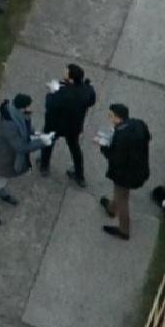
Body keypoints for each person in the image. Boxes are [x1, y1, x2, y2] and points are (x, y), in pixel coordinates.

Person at [0, 94, 45, 224]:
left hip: (7, 156)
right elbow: (21, 147)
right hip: (4, 159)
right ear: (22, 107)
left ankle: (0, 192)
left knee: (1, 179)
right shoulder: (9, 125)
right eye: (28, 106)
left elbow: (24, 128)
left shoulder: (14, 113)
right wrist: (41, 142)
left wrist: (33, 131)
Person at [39, 63, 95, 186]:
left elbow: (49, 105)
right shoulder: (87, 90)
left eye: (66, 72)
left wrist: (51, 91)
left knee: (48, 143)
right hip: (74, 126)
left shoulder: (61, 92)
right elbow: (91, 100)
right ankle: (79, 175)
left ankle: (44, 166)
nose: (63, 73)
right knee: (75, 149)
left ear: (70, 78)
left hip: (55, 124)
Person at [102, 102, 151, 239]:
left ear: (118, 118)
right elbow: (148, 137)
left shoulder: (121, 136)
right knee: (120, 194)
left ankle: (124, 230)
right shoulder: (138, 124)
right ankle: (111, 208)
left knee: (122, 198)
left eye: (111, 116)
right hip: (140, 168)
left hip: (126, 175)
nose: (109, 118)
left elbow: (116, 159)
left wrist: (104, 148)